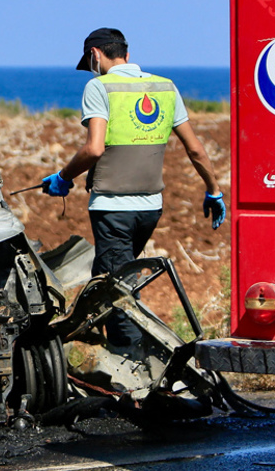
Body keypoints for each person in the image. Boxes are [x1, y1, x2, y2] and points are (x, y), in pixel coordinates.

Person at [42, 28, 227, 347]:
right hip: (150, 209)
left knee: (117, 293)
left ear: (95, 55)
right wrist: (214, 190)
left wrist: (64, 177)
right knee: (106, 277)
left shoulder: (98, 87)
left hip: (113, 209)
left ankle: (129, 375)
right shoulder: (165, 87)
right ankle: (90, 347)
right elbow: (195, 149)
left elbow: (94, 149)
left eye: (91, 63)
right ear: (126, 54)